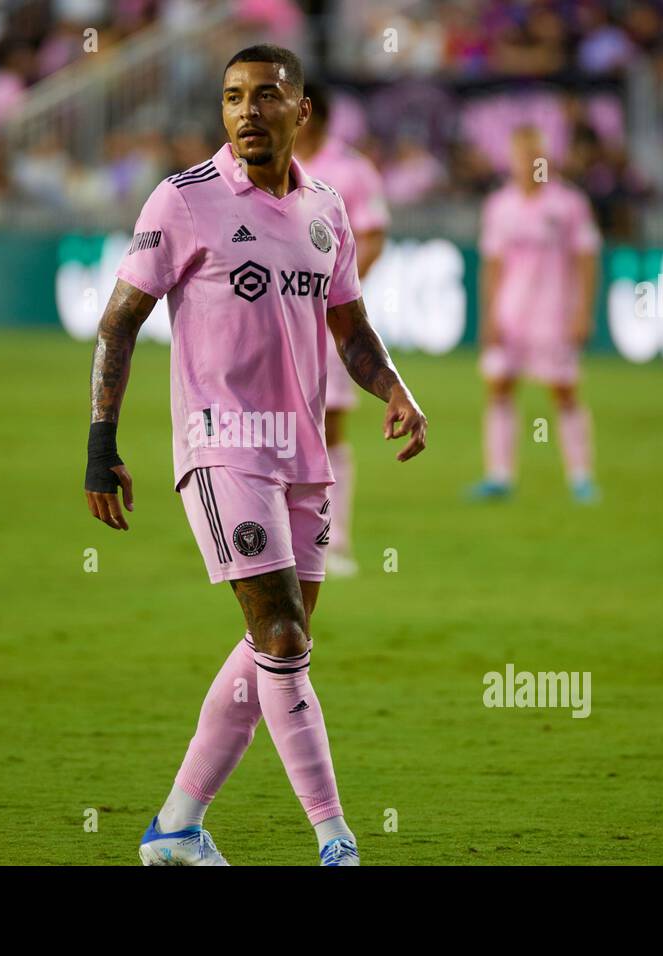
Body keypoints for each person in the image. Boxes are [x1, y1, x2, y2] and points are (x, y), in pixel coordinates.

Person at [83, 45, 427, 866]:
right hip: (221, 446)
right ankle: (336, 838)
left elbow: (351, 329)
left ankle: (174, 827)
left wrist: (397, 391)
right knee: (278, 633)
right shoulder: (183, 200)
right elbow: (119, 321)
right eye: (233, 97)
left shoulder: (326, 209)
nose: (246, 112)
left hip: (302, 455)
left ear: (300, 112)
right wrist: (101, 442)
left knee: (282, 640)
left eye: (265, 96)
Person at [470, 124, 600, 503]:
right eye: (520, 155)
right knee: (499, 388)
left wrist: (582, 311)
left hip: (554, 314)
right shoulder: (501, 205)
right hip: (511, 313)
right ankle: (499, 475)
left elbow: (587, 260)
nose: (528, 162)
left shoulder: (568, 204)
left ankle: (581, 477)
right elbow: (492, 265)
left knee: (564, 391)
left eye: (533, 155)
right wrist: (490, 314)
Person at [292, 82, 390, 577]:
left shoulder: (350, 169)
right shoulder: (268, 163)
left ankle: (335, 540)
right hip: (273, 317)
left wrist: (338, 295)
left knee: (329, 426)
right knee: (271, 425)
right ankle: (275, 536)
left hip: (326, 320)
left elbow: (373, 236)